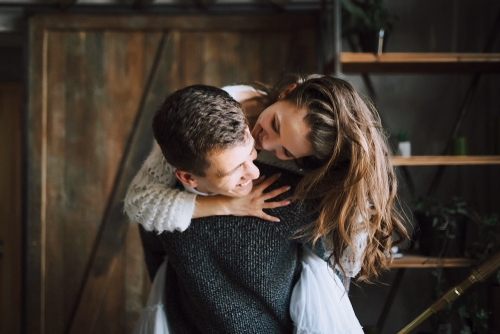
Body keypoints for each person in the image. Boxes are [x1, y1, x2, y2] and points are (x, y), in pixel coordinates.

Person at [127, 83, 364, 333]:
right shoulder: (163, 210)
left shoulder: (287, 196)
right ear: (188, 178)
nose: (255, 171)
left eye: (252, 154)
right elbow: (154, 255)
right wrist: (228, 204)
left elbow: (332, 274)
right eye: (234, 170)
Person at [125, 73, 407, 284]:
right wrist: (228, 204)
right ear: (287, 91)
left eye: (285, 151)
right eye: (275, 124)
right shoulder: (210, 119)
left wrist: (357, 183)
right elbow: (139, 201)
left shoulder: (310, 155)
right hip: (166, 240)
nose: (266, 143)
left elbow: (349, 262)